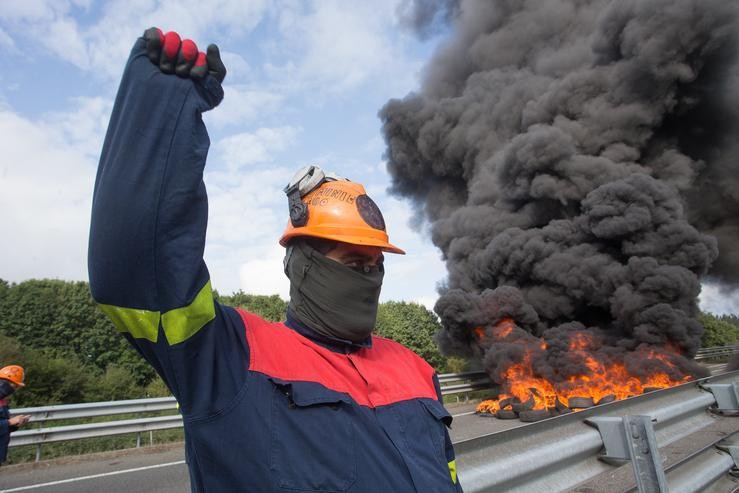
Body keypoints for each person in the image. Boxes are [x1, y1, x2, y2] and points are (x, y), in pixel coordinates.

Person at [89, 27, 462, 493]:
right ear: (300, 263)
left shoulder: (416, 367)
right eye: (351, 261)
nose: (368, 276)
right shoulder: (227, 357)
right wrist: (159, 110)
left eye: (375, 264)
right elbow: (137, 269)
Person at [0, 365, 30, 466]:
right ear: (4, 382)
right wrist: (9, 422)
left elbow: (4, 427)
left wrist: (15, 424)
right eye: (14, 386)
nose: (14, 389)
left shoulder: (3, 401)